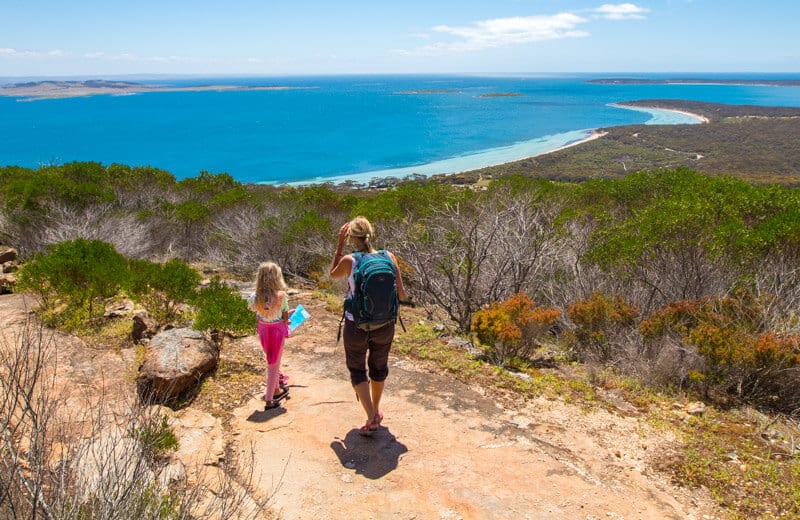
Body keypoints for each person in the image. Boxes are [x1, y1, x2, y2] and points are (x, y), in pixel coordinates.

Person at [330, 216, 407, 435]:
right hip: (385, 324)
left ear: (351, 238)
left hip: (357, 325)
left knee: (357, 369)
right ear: (371, 234)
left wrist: (338, 246)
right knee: (378, 367)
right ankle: (376, 409)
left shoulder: (349, 260)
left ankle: (371, 415)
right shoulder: (388, 256)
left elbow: (333, 274)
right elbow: (401, 293)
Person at [248, 261, 291, 410]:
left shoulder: (254, 296)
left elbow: (253, 310)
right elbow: (285, 318)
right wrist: (287, 316)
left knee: (270, 358)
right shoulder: (281, 296)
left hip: (263, 330)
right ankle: (269, 399)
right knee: (274, 363)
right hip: (277, 330)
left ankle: (277, 390)